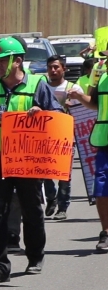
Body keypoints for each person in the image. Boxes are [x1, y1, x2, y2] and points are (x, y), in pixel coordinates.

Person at [0, 37, 63, 285]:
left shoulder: (38, 84)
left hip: (27, 158)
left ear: (18, 61)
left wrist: (42, 112)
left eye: (3, 60)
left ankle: (35, 256)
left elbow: (57, 114)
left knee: (32, 208)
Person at [67, 58, 108, 252]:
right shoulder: (102, 76)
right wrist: (79, 96)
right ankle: (106, 232)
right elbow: (95, 104)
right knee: (100, 188)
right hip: (104, 141)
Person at [42, 55, 82, 221]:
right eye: (50, 67)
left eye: (56, 67)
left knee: (64, 174)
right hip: (44, 138)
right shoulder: (42, 88)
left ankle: (62, 207)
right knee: (44, 172)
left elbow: (84, 113)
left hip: (66, 139)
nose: (53, 70)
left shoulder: (74, 89)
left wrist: (74, 105)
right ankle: (51, 198)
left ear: (64, 69)